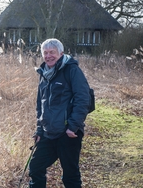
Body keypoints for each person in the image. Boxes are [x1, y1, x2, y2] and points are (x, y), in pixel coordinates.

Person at [29, 38, 90, 188]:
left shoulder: (72, 70)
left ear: (61, 53)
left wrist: (73, 126)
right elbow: (40, 105)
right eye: (45, 53)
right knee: (35, 167)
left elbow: (83, 99)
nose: (48, 56)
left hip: (68, 133)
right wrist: (39, 130)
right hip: (47, 133)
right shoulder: (44, 74)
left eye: (52, 52)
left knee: (70, 175)